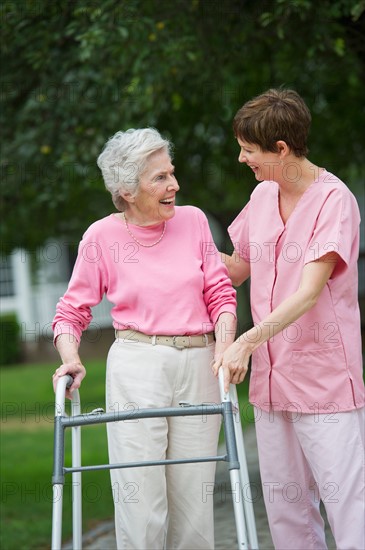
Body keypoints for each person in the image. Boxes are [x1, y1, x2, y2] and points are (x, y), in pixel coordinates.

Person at [52, 127, 237, 550]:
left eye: (171, 173)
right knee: (141, 498)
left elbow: (220, 294)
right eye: (159, 178)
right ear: (127, 190)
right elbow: (70, 311)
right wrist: (71, 358)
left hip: (200, 361)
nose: (173, 185)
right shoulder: (101, 236)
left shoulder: (193, 222)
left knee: (195, 500)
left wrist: (225, 345)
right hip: (138, 364)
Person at [215, 88, 365, 550]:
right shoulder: (262, 197)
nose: (242, 159)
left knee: (348, 507)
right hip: (272, 386)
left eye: (248, 149)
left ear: (281, 149)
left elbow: (307, 292)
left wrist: (244, 342)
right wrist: (172, 244)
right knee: (286, 513)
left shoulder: (334, 201)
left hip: (324, 385)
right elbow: (236, 269)